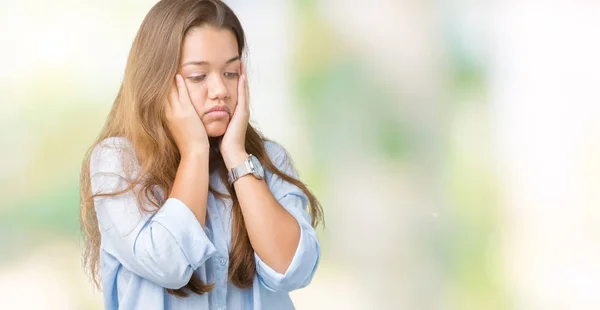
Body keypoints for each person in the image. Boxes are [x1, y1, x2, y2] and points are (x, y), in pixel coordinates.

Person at [79, 0, 323, 309]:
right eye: (198, 77)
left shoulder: (268, 159)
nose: (220, 89)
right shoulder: (117, 161)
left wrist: (236, 155)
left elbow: (292, 270)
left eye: (231, 73)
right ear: (157, 81)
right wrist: (194, 151)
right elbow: (168, 264)